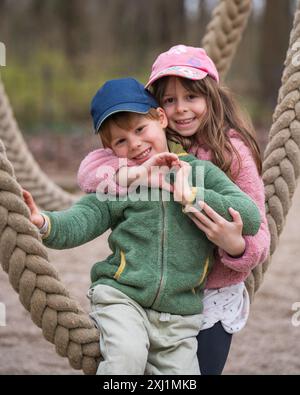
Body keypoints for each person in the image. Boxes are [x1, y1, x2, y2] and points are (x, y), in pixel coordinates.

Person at [23, 77, 261, 375]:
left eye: (140, 129)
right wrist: (44, 222)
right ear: (109, 148)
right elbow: (83, 219)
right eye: (121, 141)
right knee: (126, 360)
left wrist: (192, 193)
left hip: (180, 314)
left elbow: (250, 217)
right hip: (124, 299)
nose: (134, 144)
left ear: (160, 118)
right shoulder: (123, 183)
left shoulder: (201, 172)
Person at [77, 46, 271, 375]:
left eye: (192, 97)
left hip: (211, 294)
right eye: (169, 100)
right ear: (159, 110)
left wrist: (234, 244)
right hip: (164, 294)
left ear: (212, 96)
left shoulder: (232, 151)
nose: (181, 109)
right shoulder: (158, 142)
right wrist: (131, 174)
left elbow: (259, 232)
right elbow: (89, 172)